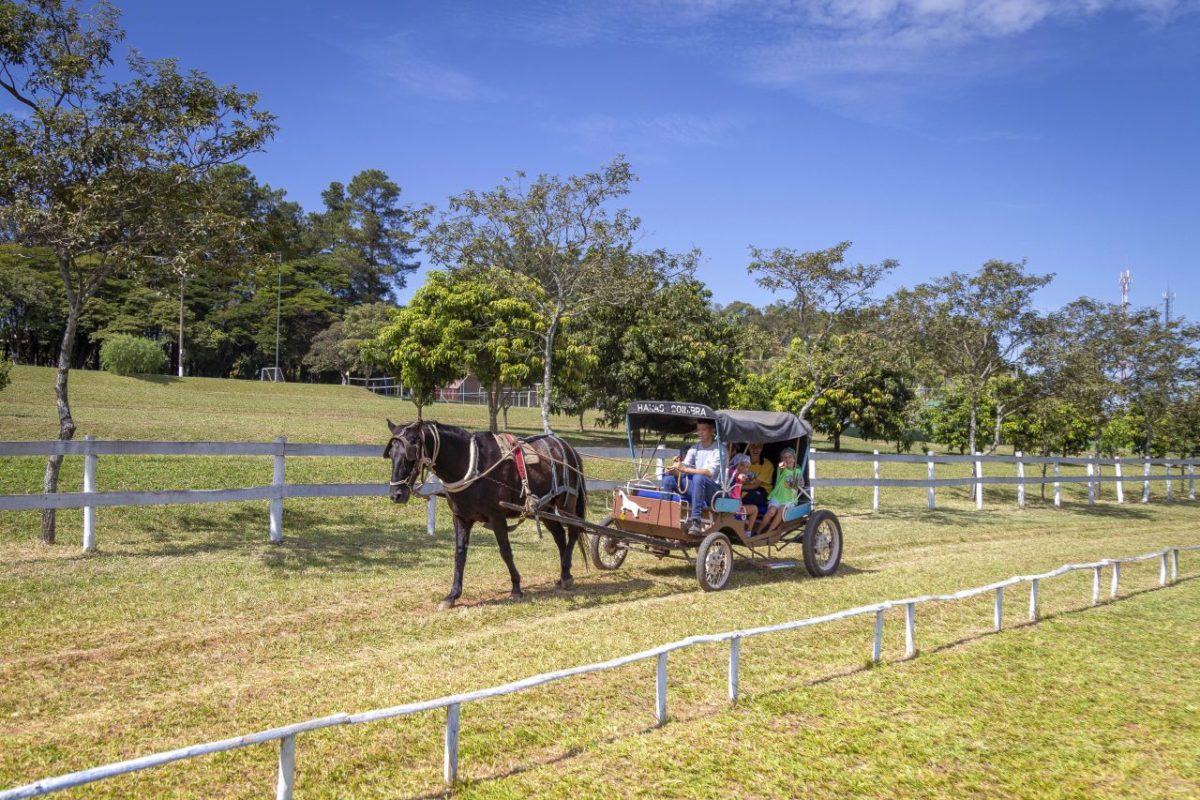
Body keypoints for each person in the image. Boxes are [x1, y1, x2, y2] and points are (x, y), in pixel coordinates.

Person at [661, 420, 722, 534]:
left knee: (698, 478)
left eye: (703, 429)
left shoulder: (720, 450)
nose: (700, 432)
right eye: (698, 429)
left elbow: (709, 473)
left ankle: (696, 522)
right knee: (668, 480)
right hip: (697, 487)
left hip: (715, 493)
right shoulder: (694, 448)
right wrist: (673, 470)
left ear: (712, 430)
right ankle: (664, 521)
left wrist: (685, 469)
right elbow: (684, 468)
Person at [759, 447, 803, 534]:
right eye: (785, 458)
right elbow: (780, 465)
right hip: (777, 496)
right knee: (771, 511)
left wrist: (799, 483)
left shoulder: (798, 471)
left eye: (790, 457)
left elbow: (802, 484)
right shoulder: (782, 469)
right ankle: (758, 531)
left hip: (790, 499)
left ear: (794, 459)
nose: (788, 459)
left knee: (782, 509)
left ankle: (769, 532)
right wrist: (783, 463)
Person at [727, 452, 759, 531]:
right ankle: (748, 531)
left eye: (747, 467)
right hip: (732, 507)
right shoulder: (732, 471)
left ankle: (748, 530)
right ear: (736, 464)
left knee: (754, 510)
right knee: (754, 510)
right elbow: (740, 476)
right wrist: (746, 478)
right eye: (741, 465)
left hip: (736, 505)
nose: (744, 468)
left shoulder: (734, 472)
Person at [740, 442, 774, 512]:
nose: (755, 449)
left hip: (761, 491)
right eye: (752, 445)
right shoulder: (742, 461)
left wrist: (737, 487)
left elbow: (755, 485)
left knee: (746, 497)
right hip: (744, 488)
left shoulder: (767, 464)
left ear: (762, 448)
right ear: (748, 447)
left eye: (758, 446)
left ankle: (744, 513)